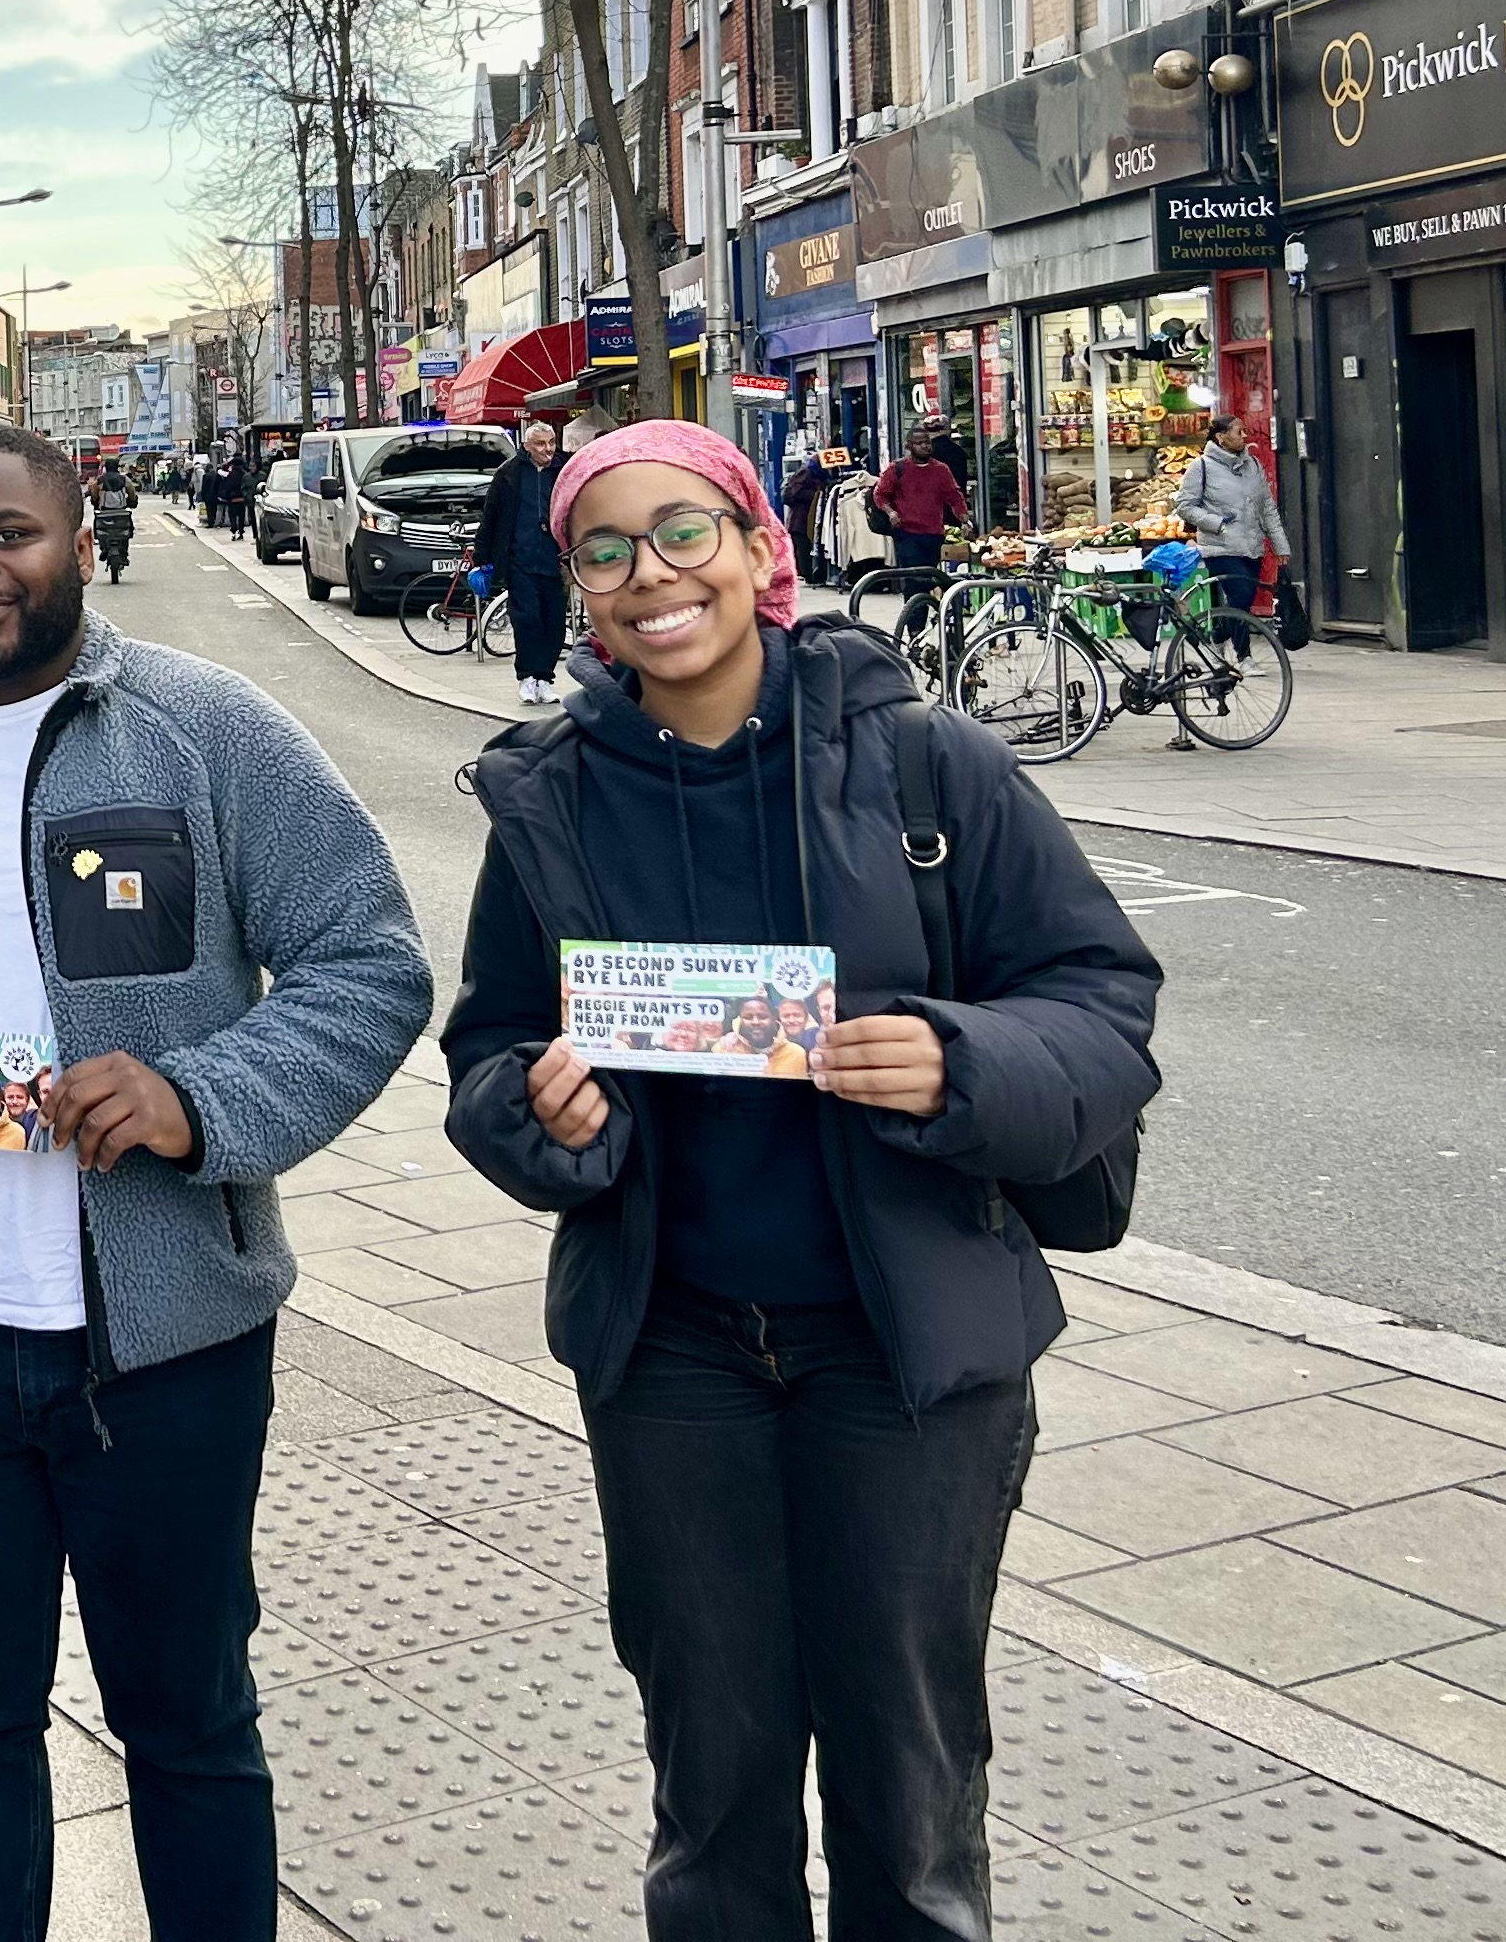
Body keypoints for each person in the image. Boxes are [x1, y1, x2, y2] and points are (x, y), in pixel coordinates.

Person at [441, 420, 1160, 1942]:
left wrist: (959, 1063)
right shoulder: (556, 795)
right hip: (676, 1344)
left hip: (900, 1348)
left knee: (908, 1791)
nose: (653, 577)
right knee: (714, 1785)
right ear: (576, 585)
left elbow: (1100, 996)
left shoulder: (923, 759)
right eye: (607, 550)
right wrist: (539, 1115)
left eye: (686, 532)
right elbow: (493, 1042)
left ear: (764, 547)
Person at [0, 423, 430, 1942]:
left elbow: (367, 959)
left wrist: (201, 1095)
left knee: (189, 1724)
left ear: (79, 535)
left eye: (6, 534)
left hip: (164, 1353)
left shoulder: (204, 729)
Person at [475, 415, 573, 704]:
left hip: (556, 561)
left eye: (551, 442)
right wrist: (482, 560)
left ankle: (545, 678)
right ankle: (527, 678)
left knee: (554, 622)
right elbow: (490, 518)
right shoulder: (509, 474)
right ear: (527, 446)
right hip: (520, 559)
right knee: (527, 619)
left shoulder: (564, 472)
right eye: (541, 444)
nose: (548, 449)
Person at [1173, 410, 1291, 629]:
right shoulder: (1201, 467)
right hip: (1220, 548)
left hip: (1252, 547)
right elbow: (1184, 506)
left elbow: (1267, 508)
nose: (1245, 436)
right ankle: (1241, 655)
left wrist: (1280, 546)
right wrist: (1216, 523)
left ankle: (1222, 638)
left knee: (1243, 603)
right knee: (1241, 596)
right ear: (1221, 437)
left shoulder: (1253, 465)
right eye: (1239, 432)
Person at [866, 432, 966, 578]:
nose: (925, 446)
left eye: (927, 442)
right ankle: (914, 600)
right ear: (909, 446)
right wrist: (890, 512)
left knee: (929, 575)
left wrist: (964, 518)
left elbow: (954, 495)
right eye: (919, 443)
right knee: (914, 579)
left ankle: (924, 600)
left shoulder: (941, 469)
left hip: (934, 534)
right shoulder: (897, 468)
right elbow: (879, 494)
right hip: (907, 533)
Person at [90, 455, 140, 582]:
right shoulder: (124, 479)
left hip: (104, 512)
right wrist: (132, 501)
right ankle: (124, 552)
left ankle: (103, 548)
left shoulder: (100, 480)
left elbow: (94, 494)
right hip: (122, 512)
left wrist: (95, 502)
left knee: (99, 529)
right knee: (126, 532)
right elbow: (132, 491)